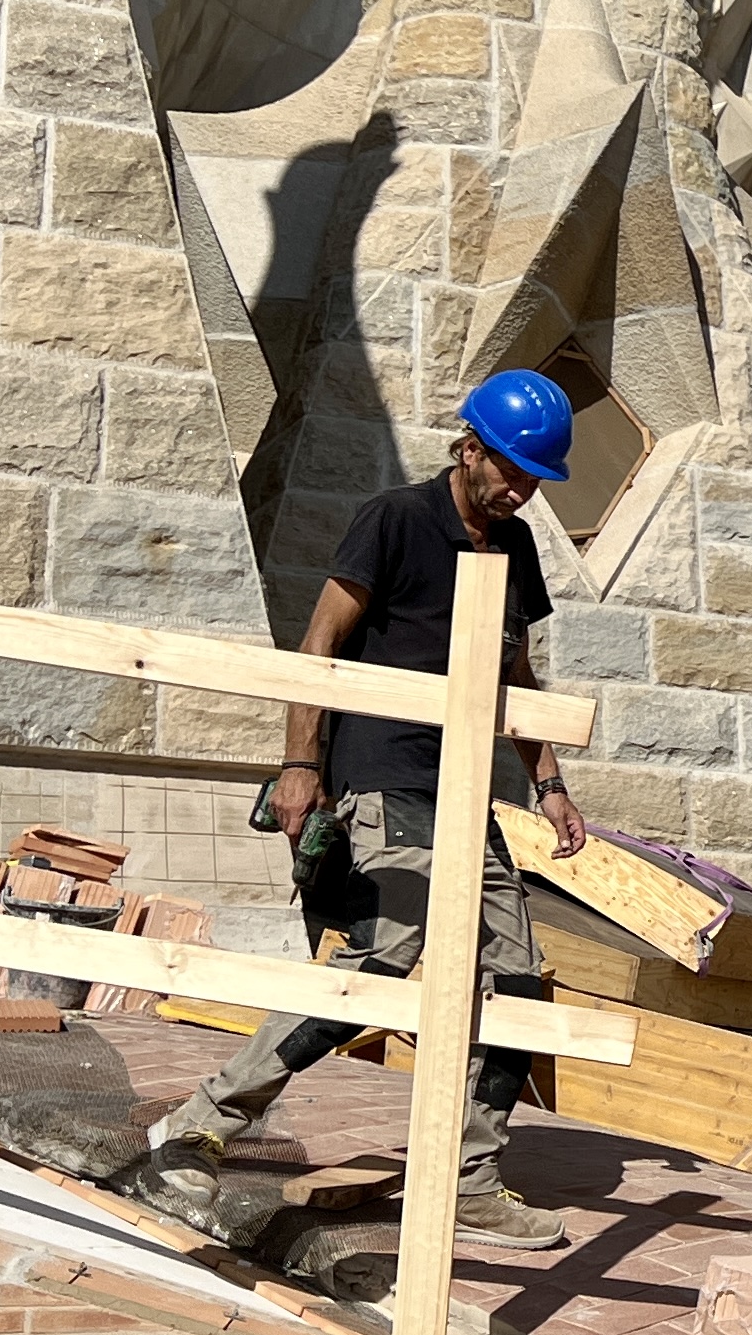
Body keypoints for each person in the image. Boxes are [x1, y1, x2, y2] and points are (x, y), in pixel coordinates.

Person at [145, 370, 594, 1248]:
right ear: (468, 448)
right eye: (510, 470)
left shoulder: (516, 550)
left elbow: (514, 678)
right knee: (382, 963)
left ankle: (469, 1173)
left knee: (513, 976)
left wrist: (549, 782)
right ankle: (200, 1125)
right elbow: (322, 643)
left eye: (535, 478)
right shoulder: (395, 519)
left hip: (469, 787)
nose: (521, 489)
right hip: (381, 777)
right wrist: (298, 764)